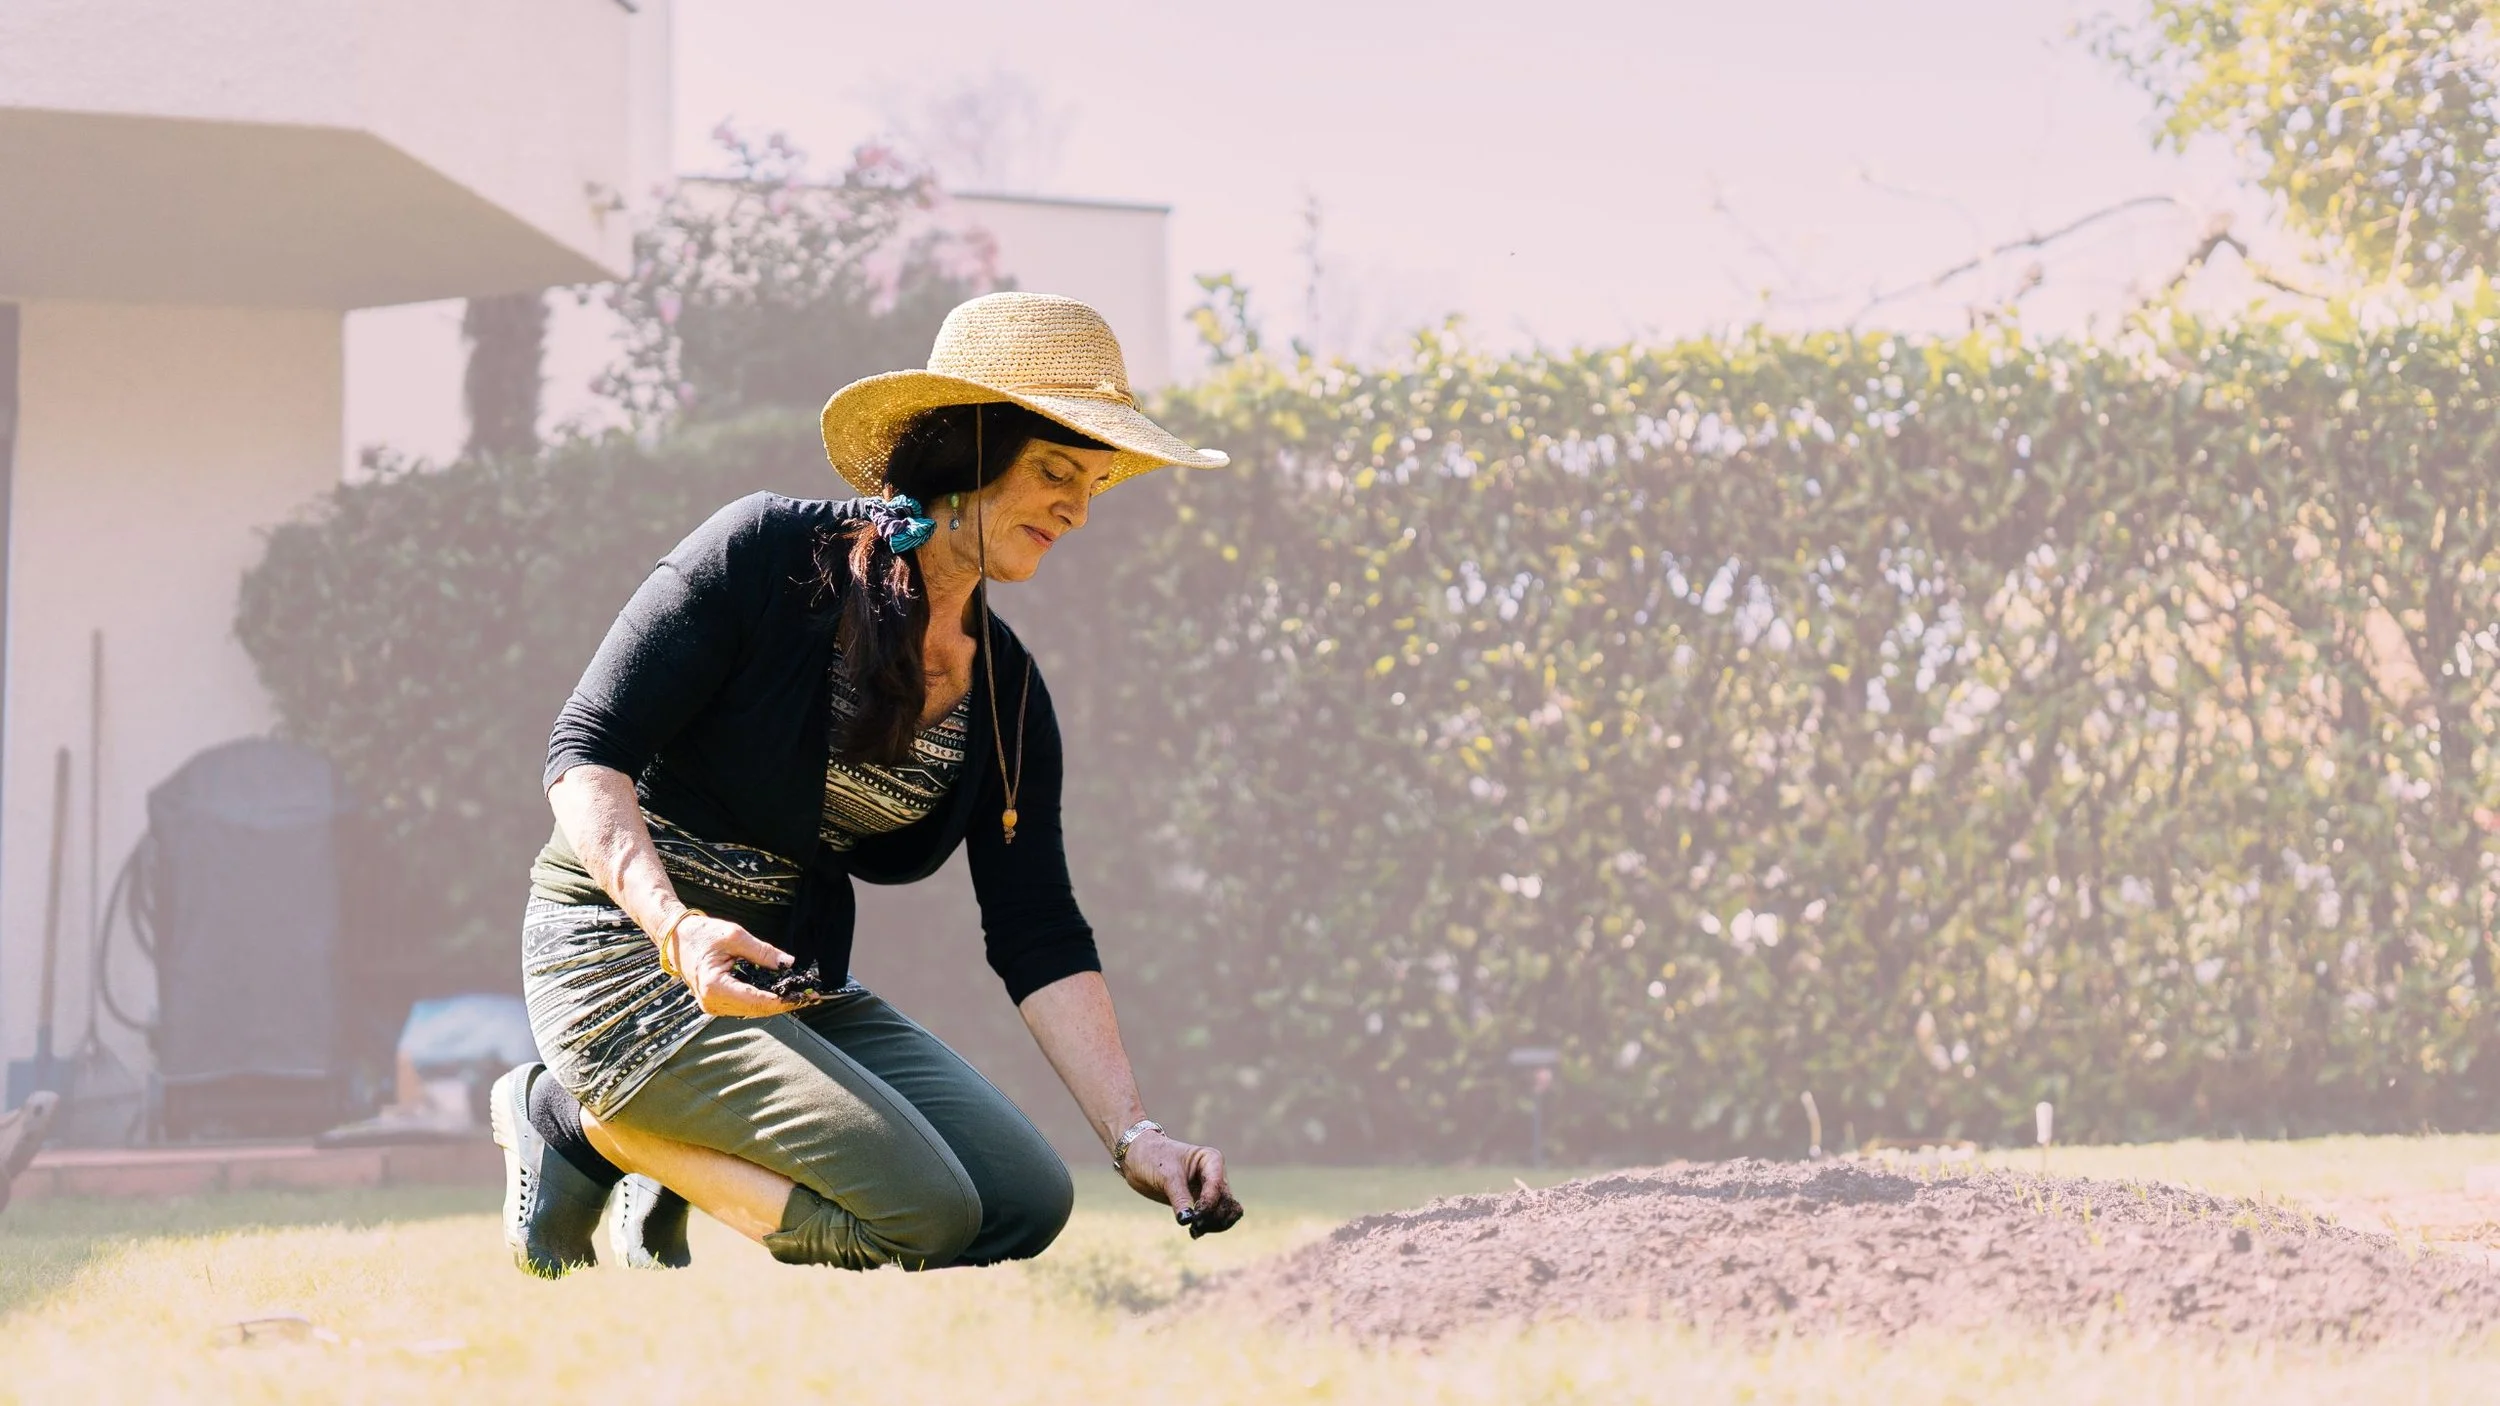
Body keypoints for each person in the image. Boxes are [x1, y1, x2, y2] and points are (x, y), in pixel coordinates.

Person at [491, 292, 1244, 1276]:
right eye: (1057, 471)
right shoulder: (761, 554)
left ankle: (664, 1135)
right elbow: (587, 747)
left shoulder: (1005, 694)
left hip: (781, 975)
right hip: (626, 949)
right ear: (964, 453)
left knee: (1023, 1200)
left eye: (1095, 482)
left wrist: (1134, 1134)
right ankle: (576, 1118)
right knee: (924, 1212)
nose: (1078, 507)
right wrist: (675, 927)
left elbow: (1037, 924)